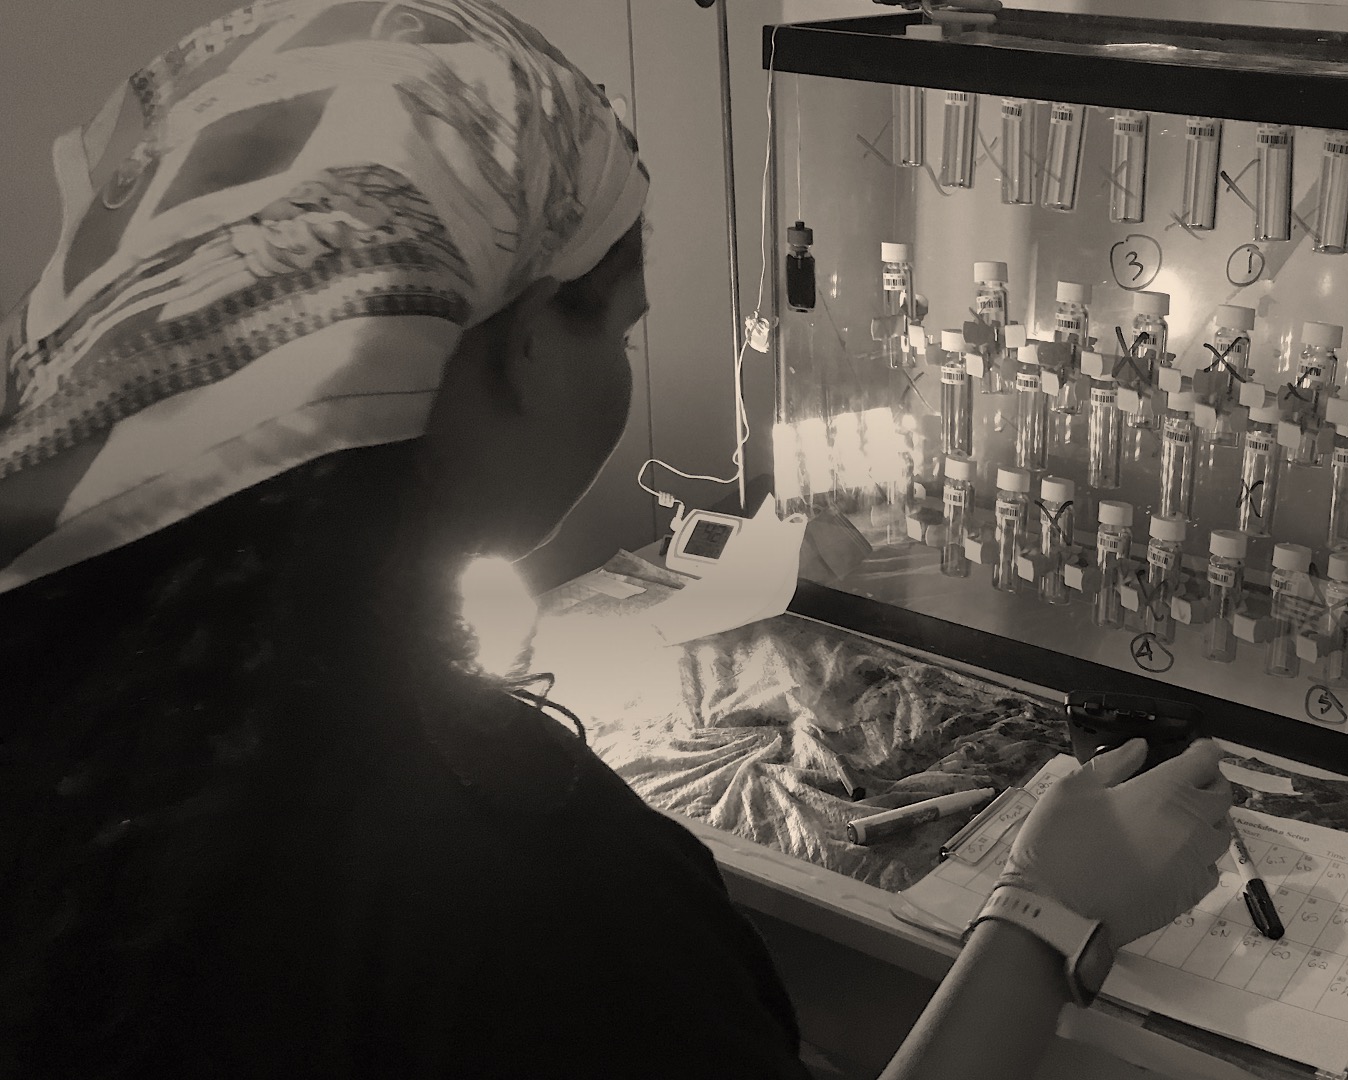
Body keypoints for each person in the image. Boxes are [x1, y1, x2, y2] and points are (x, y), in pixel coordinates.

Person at [0, 3, 1234, 1078]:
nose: (626, 372)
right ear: (523, 340)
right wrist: (1050, 916)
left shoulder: (87, 700)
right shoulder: (526, 893)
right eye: (623, 331)